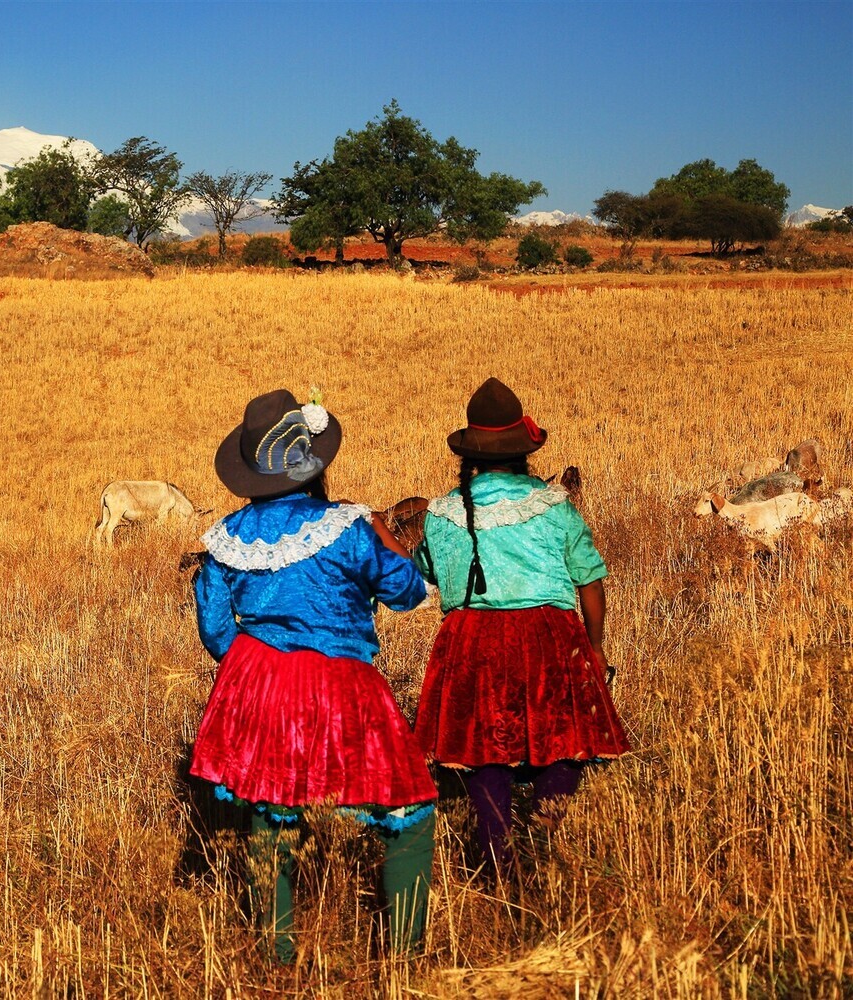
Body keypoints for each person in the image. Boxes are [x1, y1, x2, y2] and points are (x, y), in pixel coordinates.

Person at [189, 388, 437, 963]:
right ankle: (404, 953)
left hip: (257, 675)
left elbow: (216, 631)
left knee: (272, 807)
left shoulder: (225, 540)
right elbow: (404, 593)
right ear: (313, 463)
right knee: (405, 807)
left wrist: (255, 664)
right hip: (340, 677)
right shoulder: (348, 527)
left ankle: (275, 947)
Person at [413, 378, 630, 882]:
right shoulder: (553, 506)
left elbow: (426, 572)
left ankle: (497, 858)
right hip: (548, 633)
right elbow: (590, 579)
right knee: (569, 736)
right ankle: (543, 824)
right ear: (523, 453)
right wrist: (595, 648)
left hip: (470, 638)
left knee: (484, 748)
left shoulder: (443, 513)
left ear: (468, 455)